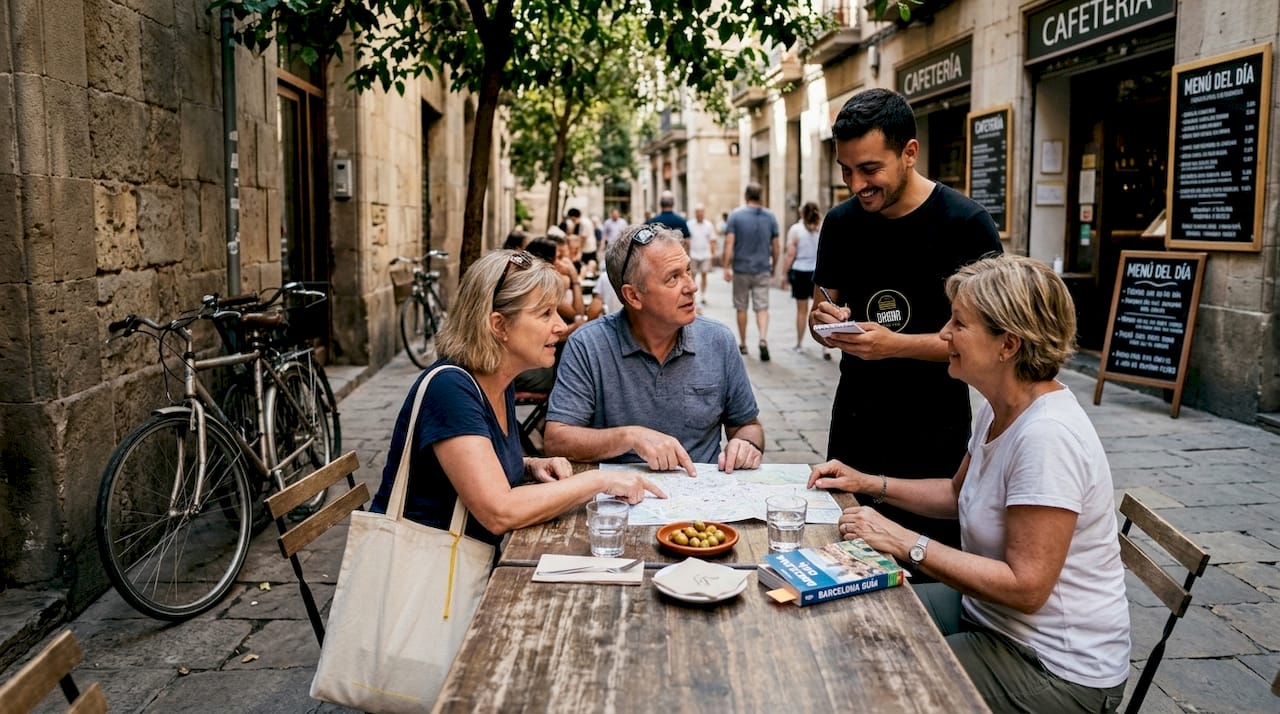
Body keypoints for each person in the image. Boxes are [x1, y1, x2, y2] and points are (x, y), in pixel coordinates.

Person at [808, 255, 1129, 712]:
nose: (943, 335)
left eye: (959, 323)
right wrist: (869, 482)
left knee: (876, 677)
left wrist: (906, 542)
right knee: (853, 615)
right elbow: (958, 495)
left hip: (1052, 664)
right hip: (990, 617)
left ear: (1008, 345)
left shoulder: (1047, 438)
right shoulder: (1002, 407)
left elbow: (1028, 587)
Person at [810, 88, 1002, 551]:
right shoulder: (840, 224)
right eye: (846, 171)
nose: (857, 185)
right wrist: (825, 321)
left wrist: (893, 344)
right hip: (855, 420)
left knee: (925, 562)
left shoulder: (966, 224)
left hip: (933, 429)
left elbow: (991, 342)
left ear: (909, 152)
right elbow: (821, 312)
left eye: (870, 169)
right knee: (848, 557)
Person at [370, 249, 665, 547]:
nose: (560, 326)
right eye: (544, 314)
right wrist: (598, 481)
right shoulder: (450, 389)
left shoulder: (497, 380)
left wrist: (527, 465)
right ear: (499, 326)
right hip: (431, 576)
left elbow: (470, 462)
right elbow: (499, 511)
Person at [544, 224, 764, 476]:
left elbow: (748, 425)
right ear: (633, 296)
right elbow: (556, 440)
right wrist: (629, 437)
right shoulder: (589, 345)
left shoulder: (718, 340)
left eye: (688, 271)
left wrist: (746, 444)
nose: (691, 286)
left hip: (702, 499)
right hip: (619, 497)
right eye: (673, 277)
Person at [723, 182, 780, 361]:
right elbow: (776, 246)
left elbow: (729, 243)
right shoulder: (770, 216)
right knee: (762, 307)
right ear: (760, 196)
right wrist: (773, 264)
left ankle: (743, 343)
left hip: (741, 268)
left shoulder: (735, 216)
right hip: (762, 267)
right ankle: (762, 339)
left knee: (741, 306)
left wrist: (726, 266)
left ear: (746, 195)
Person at [781, 201, 821, 354]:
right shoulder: (821, 229)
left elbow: (790, 254)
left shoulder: (796, 230)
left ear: (802, 213)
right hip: (818, 273)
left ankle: (799, 344)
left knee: (802, 311)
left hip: (800, 272)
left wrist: (784, 273)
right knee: (823, 311)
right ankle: (826, 348)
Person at [687, 204, 718, 304]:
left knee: (704, 274)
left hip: (705, 254)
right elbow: (687, 239)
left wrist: (713, 253)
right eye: (698, 212)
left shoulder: (708, 225)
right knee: (693, 275)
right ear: (695, 213)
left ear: (704, 213)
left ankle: (703, 295)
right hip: (693, 254)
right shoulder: (690, 224)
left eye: (701, 212)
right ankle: (693, 296)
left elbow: (713, 239)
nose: (700, 214)